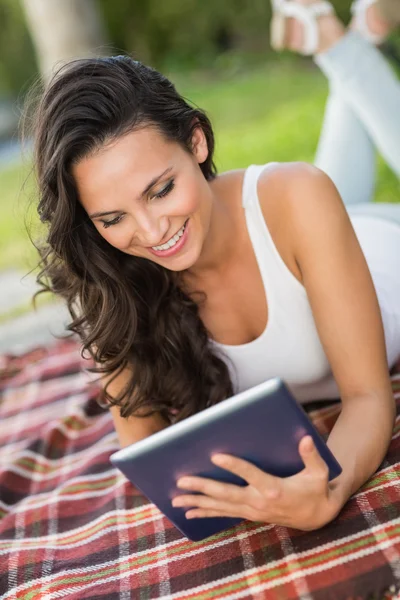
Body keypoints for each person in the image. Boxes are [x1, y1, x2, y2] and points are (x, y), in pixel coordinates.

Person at [28, 0, 400, 532]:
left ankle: (344, 45)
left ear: (197, 141)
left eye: (161, 189)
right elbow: (150, 454)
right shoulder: (114, 274)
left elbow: (367, 397)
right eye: (112, 217)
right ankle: (340, 30)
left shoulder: (298, 197)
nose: (152, 232)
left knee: (316, 189)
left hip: (384, 248)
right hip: (286, 232)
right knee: (318, 189)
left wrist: (330, 488)